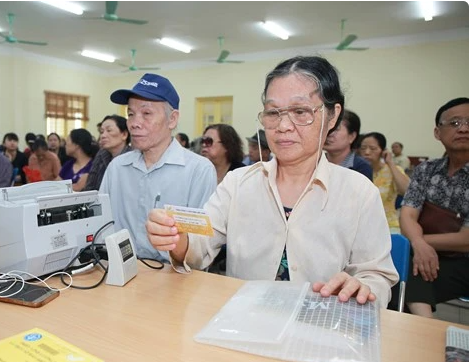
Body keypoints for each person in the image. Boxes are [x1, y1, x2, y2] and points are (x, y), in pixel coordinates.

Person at [146, 56, 398, 308]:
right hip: (244, 320)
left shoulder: (358, 192)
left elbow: (377, 275)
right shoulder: (238, 183)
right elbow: (199, 246)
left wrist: (363, 288)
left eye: (300, 112)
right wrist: (178, 240)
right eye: (273, 112)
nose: (283, 126)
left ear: (332, 116)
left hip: (320, 327)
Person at [100, 73, 216, 262]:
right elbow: (101, 228)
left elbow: (200, 248)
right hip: (121, 271)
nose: (134, 123)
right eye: (130, 114)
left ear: (172, 119)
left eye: (146, 113)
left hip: (176, 277)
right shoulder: (117, 168)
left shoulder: (198, 171)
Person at [400, 97, 468, 318]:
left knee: (406, 274)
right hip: (426, 257)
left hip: (463, 262)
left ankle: (424, 327)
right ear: (438, 133)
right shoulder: (426, 170)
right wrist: (418, 244)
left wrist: (420, 243)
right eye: (455, 123)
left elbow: (466, 240)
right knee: (397, 273)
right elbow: (408, 215)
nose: (464, 129)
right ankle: (425, 327)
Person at [359, 132, 409, 232]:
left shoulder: (393, 170)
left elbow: (407, 191)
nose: (367, 152)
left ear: (383, 151)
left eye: (373, 148)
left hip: (388, 225)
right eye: (363, 148)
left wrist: (390, 163)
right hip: (361, 226)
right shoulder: (358, 171)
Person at [84, 115, 132, 191]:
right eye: (101, 132)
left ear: (124, 135)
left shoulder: (133, 157)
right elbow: (90, 186)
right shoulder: (101, 154)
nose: (103, 135)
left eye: (109, 130)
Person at [323, 109, 373, 180]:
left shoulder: (361, 167)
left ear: (352, 137)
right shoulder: (315, 163)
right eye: (327, 127)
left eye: (336, 129)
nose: (329, 133)